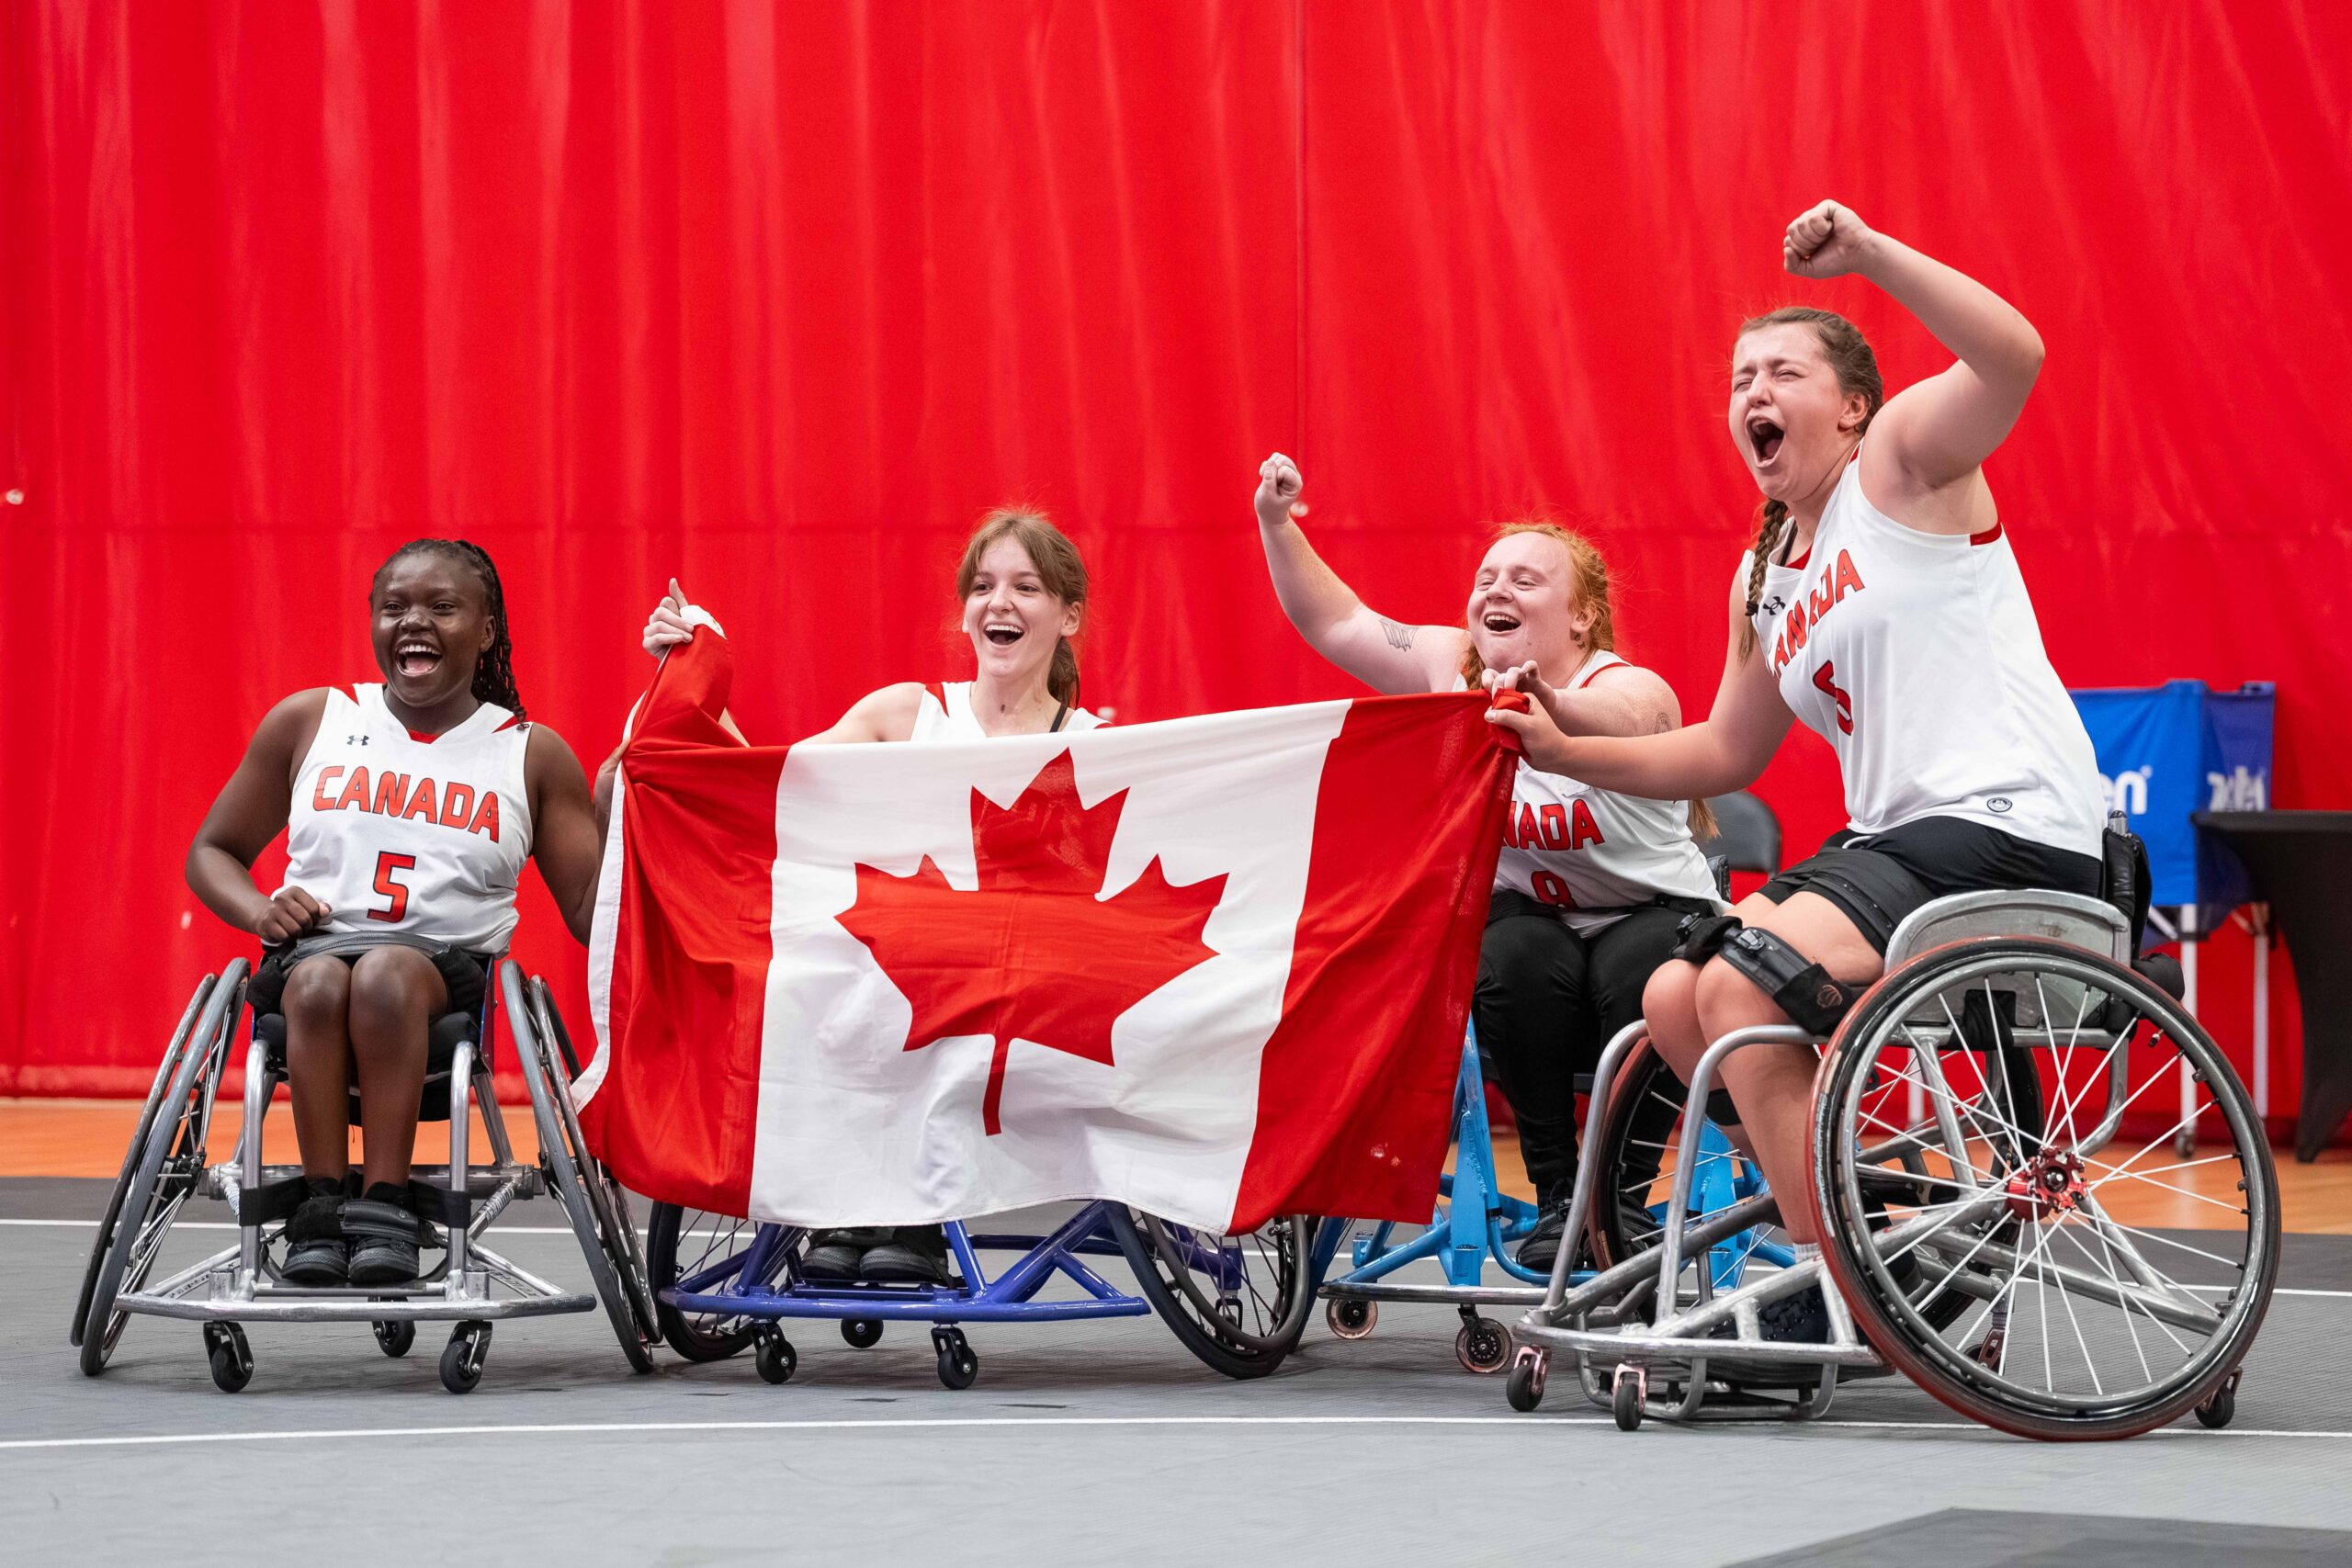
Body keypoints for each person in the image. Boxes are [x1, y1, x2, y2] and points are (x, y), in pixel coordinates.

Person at [1486, 201, 2105, 1333]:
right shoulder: (1765, 570)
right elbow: (1725, 751)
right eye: (1737, 381)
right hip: (1902, 846)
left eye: (1782, 372)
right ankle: (1865, 1229)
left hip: (2009, 821)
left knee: (1733, 981)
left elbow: (2014, 354)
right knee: (1680, 998)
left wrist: (1867, 255)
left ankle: (1841, 1286)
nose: (1752, 396)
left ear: (1853, 404)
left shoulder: (1904, 466)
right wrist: (1565, 743)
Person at [1251, 457, 1723, 1270]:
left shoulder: (1628, 685)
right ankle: (1555, 1198)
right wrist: (1276, 522)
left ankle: (1616, 1202)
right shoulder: (1451, 665)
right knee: (1507, 954)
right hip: (1536, 936)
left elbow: (1636, 717)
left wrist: (1553, 709)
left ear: (1580, 619)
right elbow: (1339, 624)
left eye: (1527, 579)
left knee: (1644, 968)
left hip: (1648, 916)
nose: (1497, 588)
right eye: (1487, 576)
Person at [638, 508, 1101, 1286]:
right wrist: (691, 676)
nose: (1000, 603)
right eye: (984, 586)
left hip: (1015, 981)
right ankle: (842, 1204)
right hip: (883, 955)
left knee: (930, 972)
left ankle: (908, 1216)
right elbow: (766, 786)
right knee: (806, 971)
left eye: (1027, 587)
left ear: (1069, 616)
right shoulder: (904, 715)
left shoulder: (1094, 745)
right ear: (965, 609)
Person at [187, 539, 605, 1286]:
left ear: (485, 630)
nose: (413, 621)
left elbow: (588, 912)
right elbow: (211, 850)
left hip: (444, 975)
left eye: (442, 607)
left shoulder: (530, 753)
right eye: (394, 607)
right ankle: (322, 1207)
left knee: (384, 972)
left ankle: (384, 1204)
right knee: (315, 984)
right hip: (313, 956)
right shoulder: (312, 719)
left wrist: (615, 804)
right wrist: (259, 908)